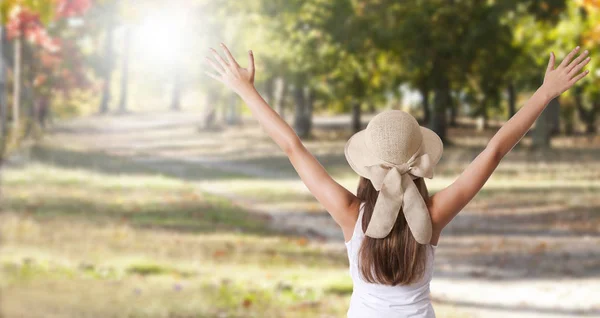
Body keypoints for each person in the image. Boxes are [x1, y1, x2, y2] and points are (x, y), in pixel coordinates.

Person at [205, 43, 590, 317]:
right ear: (419, 158)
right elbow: (493, 151)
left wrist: (245, 89)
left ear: (366, 165)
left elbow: (292, 147)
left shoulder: (349, 213)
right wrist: (545, 93)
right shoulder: (434, 213)